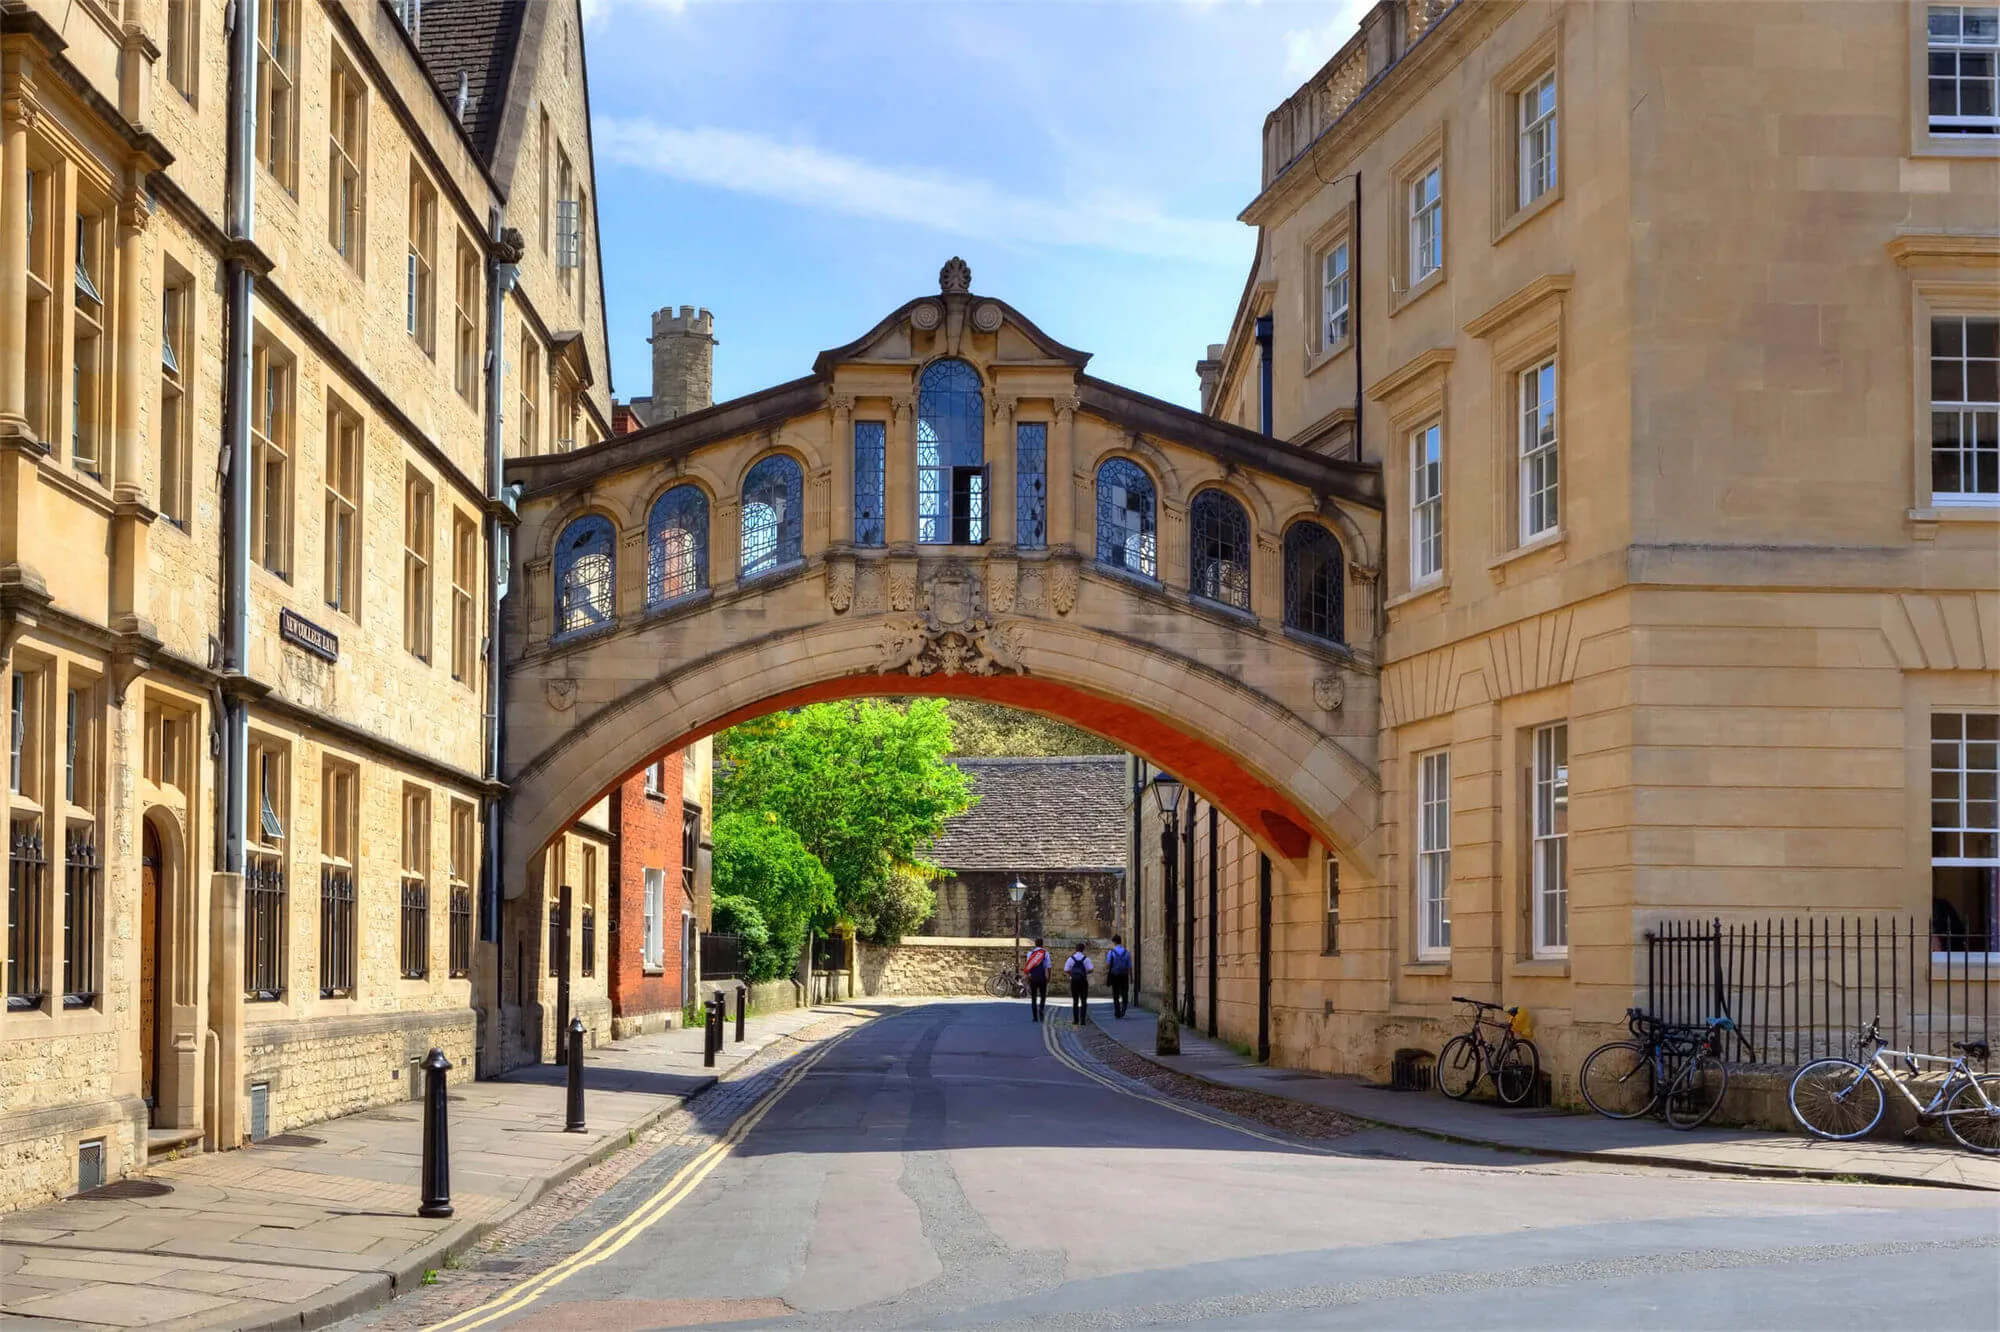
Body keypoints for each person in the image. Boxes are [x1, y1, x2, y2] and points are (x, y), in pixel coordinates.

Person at [1063, 941, 1094, 1025]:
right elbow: (1091, 969)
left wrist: (1072, 974)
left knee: (1075, 1000)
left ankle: (1076, 1020)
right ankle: (1083, 1019)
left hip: (1074, 981)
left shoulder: (1071, 959)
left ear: (1076, 949)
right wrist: (1085, 973)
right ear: (1083, 949)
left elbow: (1066, 969)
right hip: (1083, 980)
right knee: (1084, 1000)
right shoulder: (1086, 959)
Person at [1023, 938, 1050, 1022]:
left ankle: (1035, 1017)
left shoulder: (1030, 953)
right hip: (1042, 977)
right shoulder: (1045, 953)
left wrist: (1028, 977)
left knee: (1033, 997)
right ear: (1042, 944)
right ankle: (1041, 1008)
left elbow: (1028, 966)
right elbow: (1048, 966)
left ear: (1035, 944)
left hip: (1033, 977)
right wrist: (1049, 977)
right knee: (1043, 996)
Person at [1105, 934, 1132, 1018]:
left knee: (1115, 994)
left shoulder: (1111, 952)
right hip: (1124, 975)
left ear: (1114, 942)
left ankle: (1117, 1012)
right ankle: (1123, 1009)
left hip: (1115, 975)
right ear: (1121, 941)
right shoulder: (1127, 952)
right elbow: (1129, 966)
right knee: (1125, 993)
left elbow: (1108, 965)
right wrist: (1131, 977)